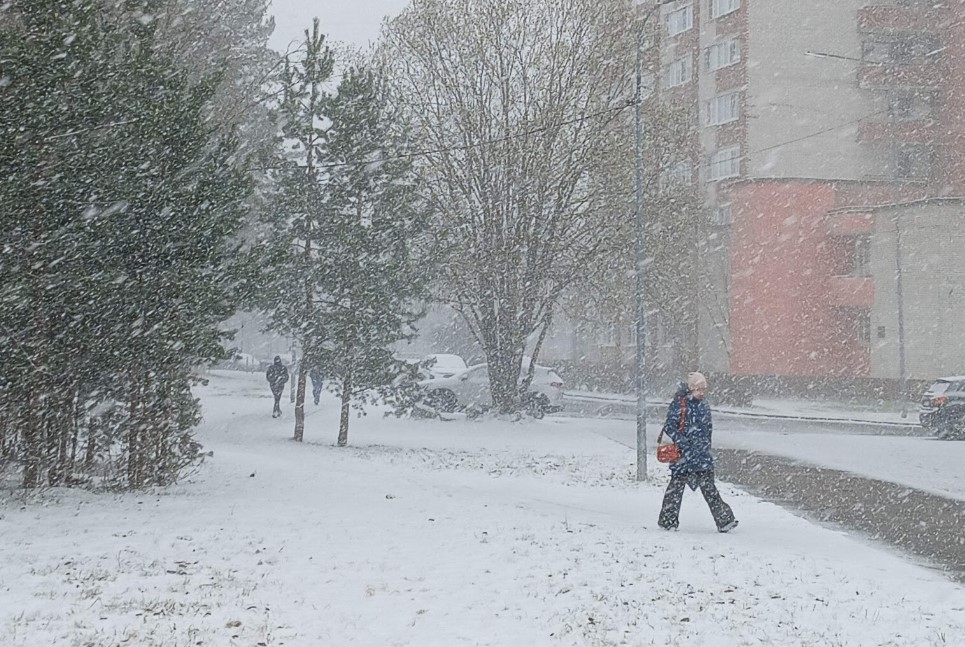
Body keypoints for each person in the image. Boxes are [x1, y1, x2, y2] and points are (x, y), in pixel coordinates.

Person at [657, 371, 738, 533]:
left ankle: (724, 520)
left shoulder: (703, 404)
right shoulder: (679, 404)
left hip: (701, 455)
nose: (702, 393)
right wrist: (683, 442)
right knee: (676, 489)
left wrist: (704, 447)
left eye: (704, 389)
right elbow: (669, 426)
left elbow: (707, 429)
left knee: (709, 488)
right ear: (691, 388)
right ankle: (668, 520)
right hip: (684, 455)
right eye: (699, 389)